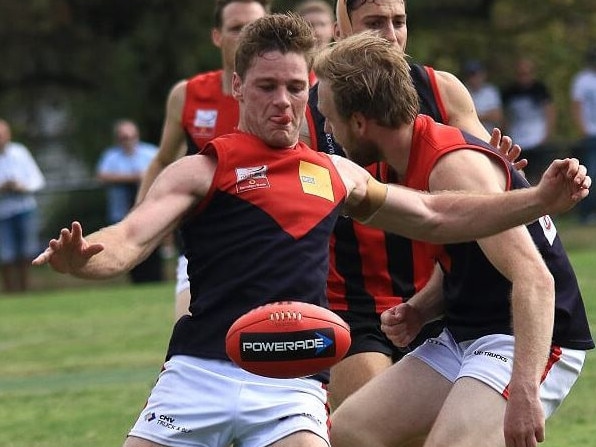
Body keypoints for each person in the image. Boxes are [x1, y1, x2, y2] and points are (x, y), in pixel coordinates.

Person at [32, 14, 589, 447]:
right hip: (197, 373)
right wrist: (83, 258)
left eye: (296, 88)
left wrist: (535, 198)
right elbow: (128, 239)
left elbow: (439, 216)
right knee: (354, 430)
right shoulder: (203, 168)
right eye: (267, 86)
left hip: (291, 383)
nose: (284, 102)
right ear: (237, 86)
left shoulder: (334, 173)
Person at [312, 32, 594, 447]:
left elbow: (535, 279)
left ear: (358, 122)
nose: (324, 128)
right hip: (466, 333)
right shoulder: (400, 159)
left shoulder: (450, 166)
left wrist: (523, 390)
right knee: (350, 432)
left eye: (327, 117)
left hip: (532, 335)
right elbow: (465, 252)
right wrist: (419, 309)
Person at [305, 0, 524, 410]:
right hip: (356, 302)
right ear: (340, 28)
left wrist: (499, 167)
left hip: (438, 294)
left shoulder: (442, 90)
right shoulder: (312, 111)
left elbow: (486, 181)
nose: (390, 34)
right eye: (374, 23)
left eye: (399, 21)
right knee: (362, 430)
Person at [135, 0, 271, 319]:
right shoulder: (188, 94)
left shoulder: (294, 91)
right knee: (184, 345)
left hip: (272, 250)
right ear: (217, 36)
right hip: (203, 249)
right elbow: (162, 160)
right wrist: (137, 225)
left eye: (254, 27)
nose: (246, 36)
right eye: (236, 28)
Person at [97, 119, 161, 283]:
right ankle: (136, 280)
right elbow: (102, 176)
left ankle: (155, 278)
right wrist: (133, 178)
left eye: (132, 136)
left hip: (149, 210)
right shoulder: (111, 157)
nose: (129, 140)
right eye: (124, 137)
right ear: (118, 139)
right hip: (122, 209)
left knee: (150, 244)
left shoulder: (151, 153)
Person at [0, 118, 45, 293]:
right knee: (6, 255)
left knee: (27, 252)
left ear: (8, 135)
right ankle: (11, 292)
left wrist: (22, 186)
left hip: (25, 209)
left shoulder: (20, 152)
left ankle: (26, 291)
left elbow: (38, 180)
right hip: (2, 213)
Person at [502, 57, 557, 185]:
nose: (524, 77)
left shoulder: (540, 89)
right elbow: (504, 115)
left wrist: (547, 134)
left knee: (540, 173)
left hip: (537, 138)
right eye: (521, 74)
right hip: (518, 140)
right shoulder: (509, 92)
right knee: (520, 175)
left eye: (527, 73)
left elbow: (550, 111)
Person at [570, 46, 596, 224]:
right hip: (590, 133)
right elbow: (577, 105)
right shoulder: (583, 81)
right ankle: (586, 213)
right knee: (590, 172)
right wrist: (582, 128)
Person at [294, 0, 335, 86]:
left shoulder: (342, 68)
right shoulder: (291, 69)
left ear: (333, 29)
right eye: (310, 25)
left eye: (322, 24)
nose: (317, 32)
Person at [462, 59, 504, 134]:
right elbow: (462, 119)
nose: (474, 78)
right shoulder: (463, 91)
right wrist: (487, 115)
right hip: (471, 136)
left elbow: (497, 116)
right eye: (471, 75)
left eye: (476, 74)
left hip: (489, 135)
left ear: (483, 74)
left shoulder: (491, 91)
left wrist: (474, 116)